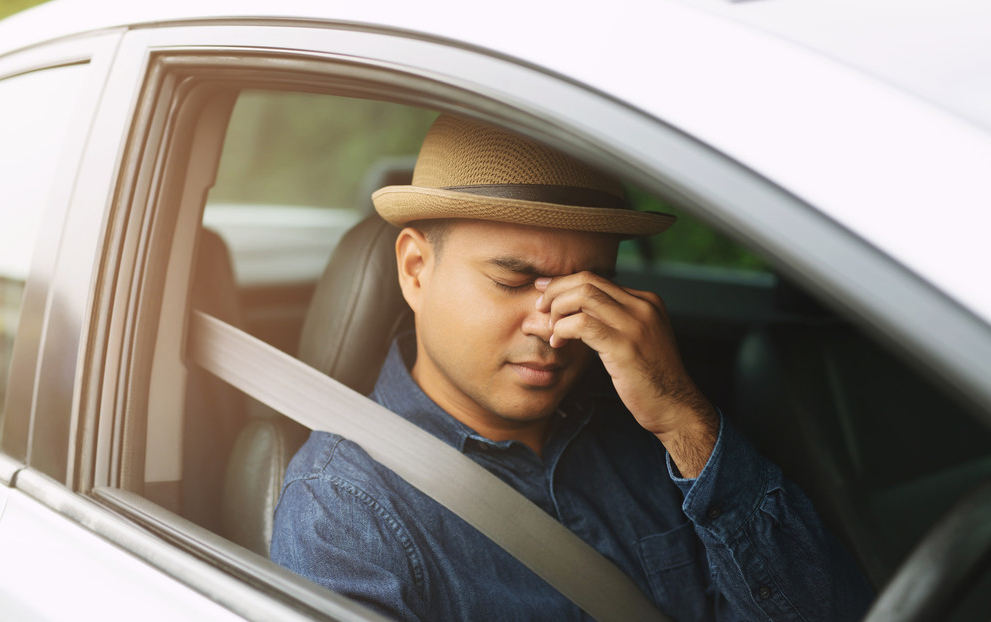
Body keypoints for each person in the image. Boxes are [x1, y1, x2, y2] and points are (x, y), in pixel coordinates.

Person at [271, 114, 873, 620]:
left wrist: (684, 420)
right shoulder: (343, 510)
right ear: (415, 270)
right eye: (512, 281)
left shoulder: (648, 429)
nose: (554, 326)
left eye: (590, 289)